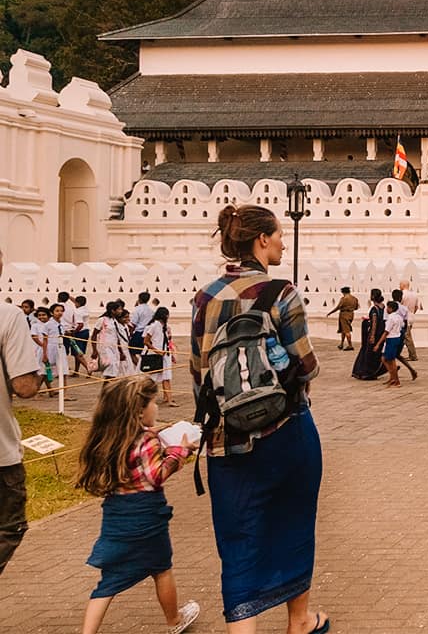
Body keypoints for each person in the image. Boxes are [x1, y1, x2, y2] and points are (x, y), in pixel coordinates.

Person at [190, 204, 328, 634]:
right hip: (285, 430)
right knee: (294, 519)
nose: (284, 242)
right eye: (279, 235)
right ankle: (300, 621)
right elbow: (306, 365)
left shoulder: (206, 295)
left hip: (225, 438)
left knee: (238, 537)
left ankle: (242, 630)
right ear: (261, 241)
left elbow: (198, 371)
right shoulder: (281, 293)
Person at [74, 375, 201, 634]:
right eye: (153, 402)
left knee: (107, 582)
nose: (156, 407)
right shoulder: (147, 441)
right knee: (161, 568)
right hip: (147, 515)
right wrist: (179, 452)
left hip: (117, 514)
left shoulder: (111, 438)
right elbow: (156, 476)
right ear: (139, 410)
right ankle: (174, 621)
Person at [0, 248, 43, 574]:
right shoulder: (8, 316)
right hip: (0, 455)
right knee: (9, 526)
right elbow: (25, 387)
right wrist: (40, 371)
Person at [141, 306, 179, 407]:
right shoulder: (153, 326)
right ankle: (147, 399)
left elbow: (167, 341)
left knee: (166, 377)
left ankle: (168, 398)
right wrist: (157, 351)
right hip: (155, 355)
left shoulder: (165, 326)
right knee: (152, 379)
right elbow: (146, 341)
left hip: (164, 355)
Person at [351, 289, 387, 381]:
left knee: (369, 354)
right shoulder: (383, 307)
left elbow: (374, 322)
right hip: (382, 332)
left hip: (375, 334)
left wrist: (372, 335)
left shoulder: (374, 309)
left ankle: (368, 372)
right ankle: (374, 371)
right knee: (376, 354)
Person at [371, 298, 406, 388]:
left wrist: (378, 344)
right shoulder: (399, 317)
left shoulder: (391, 318)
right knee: (385, 359)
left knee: (390, 360)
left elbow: (386, 332)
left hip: (391, 339)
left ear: (390, 308)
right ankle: (393, 377)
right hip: (396, 338)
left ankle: (396, 380)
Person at [95, 301, 133, 379]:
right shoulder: (103, 320)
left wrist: (121, 352)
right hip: (105, 347)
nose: (121, 311)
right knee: (110, 367)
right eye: (119, 309)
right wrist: (94, 350)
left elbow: (117, 338)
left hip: (114, 348)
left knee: (114, 368)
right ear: (113, 310)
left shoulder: (114, 321)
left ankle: (108, 389)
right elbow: (94, 335)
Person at [326, 286, 359, 351]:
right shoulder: (355, 299)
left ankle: (350, 345)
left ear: (343, 292)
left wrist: (330, 312)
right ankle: (341, 344)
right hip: (351, 314)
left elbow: (338, 307)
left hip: (344, 315)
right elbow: (356, 308)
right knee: (343, 330)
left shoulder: (344, 299)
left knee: (346, 330)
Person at [395, 282, 420, 362]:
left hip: (404, 318)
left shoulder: (402, 294)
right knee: (405, 336)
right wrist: (412, 313)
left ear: (403, 285)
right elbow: (416, 307)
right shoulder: (414, 295)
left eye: (400, 284)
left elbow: (398, 306)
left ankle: (413, 355)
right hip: (411, 316)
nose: (399, 286)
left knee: (407, 337)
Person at [127, 290, 154, 364]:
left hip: (139, 333)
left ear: (139, 299)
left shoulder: (137, 309)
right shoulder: (151, 311)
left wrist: (130, 333)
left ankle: (140, 367)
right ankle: (143, 366)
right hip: (148, 333)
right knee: (143, 352)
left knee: (131, 352)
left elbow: (133, 324)